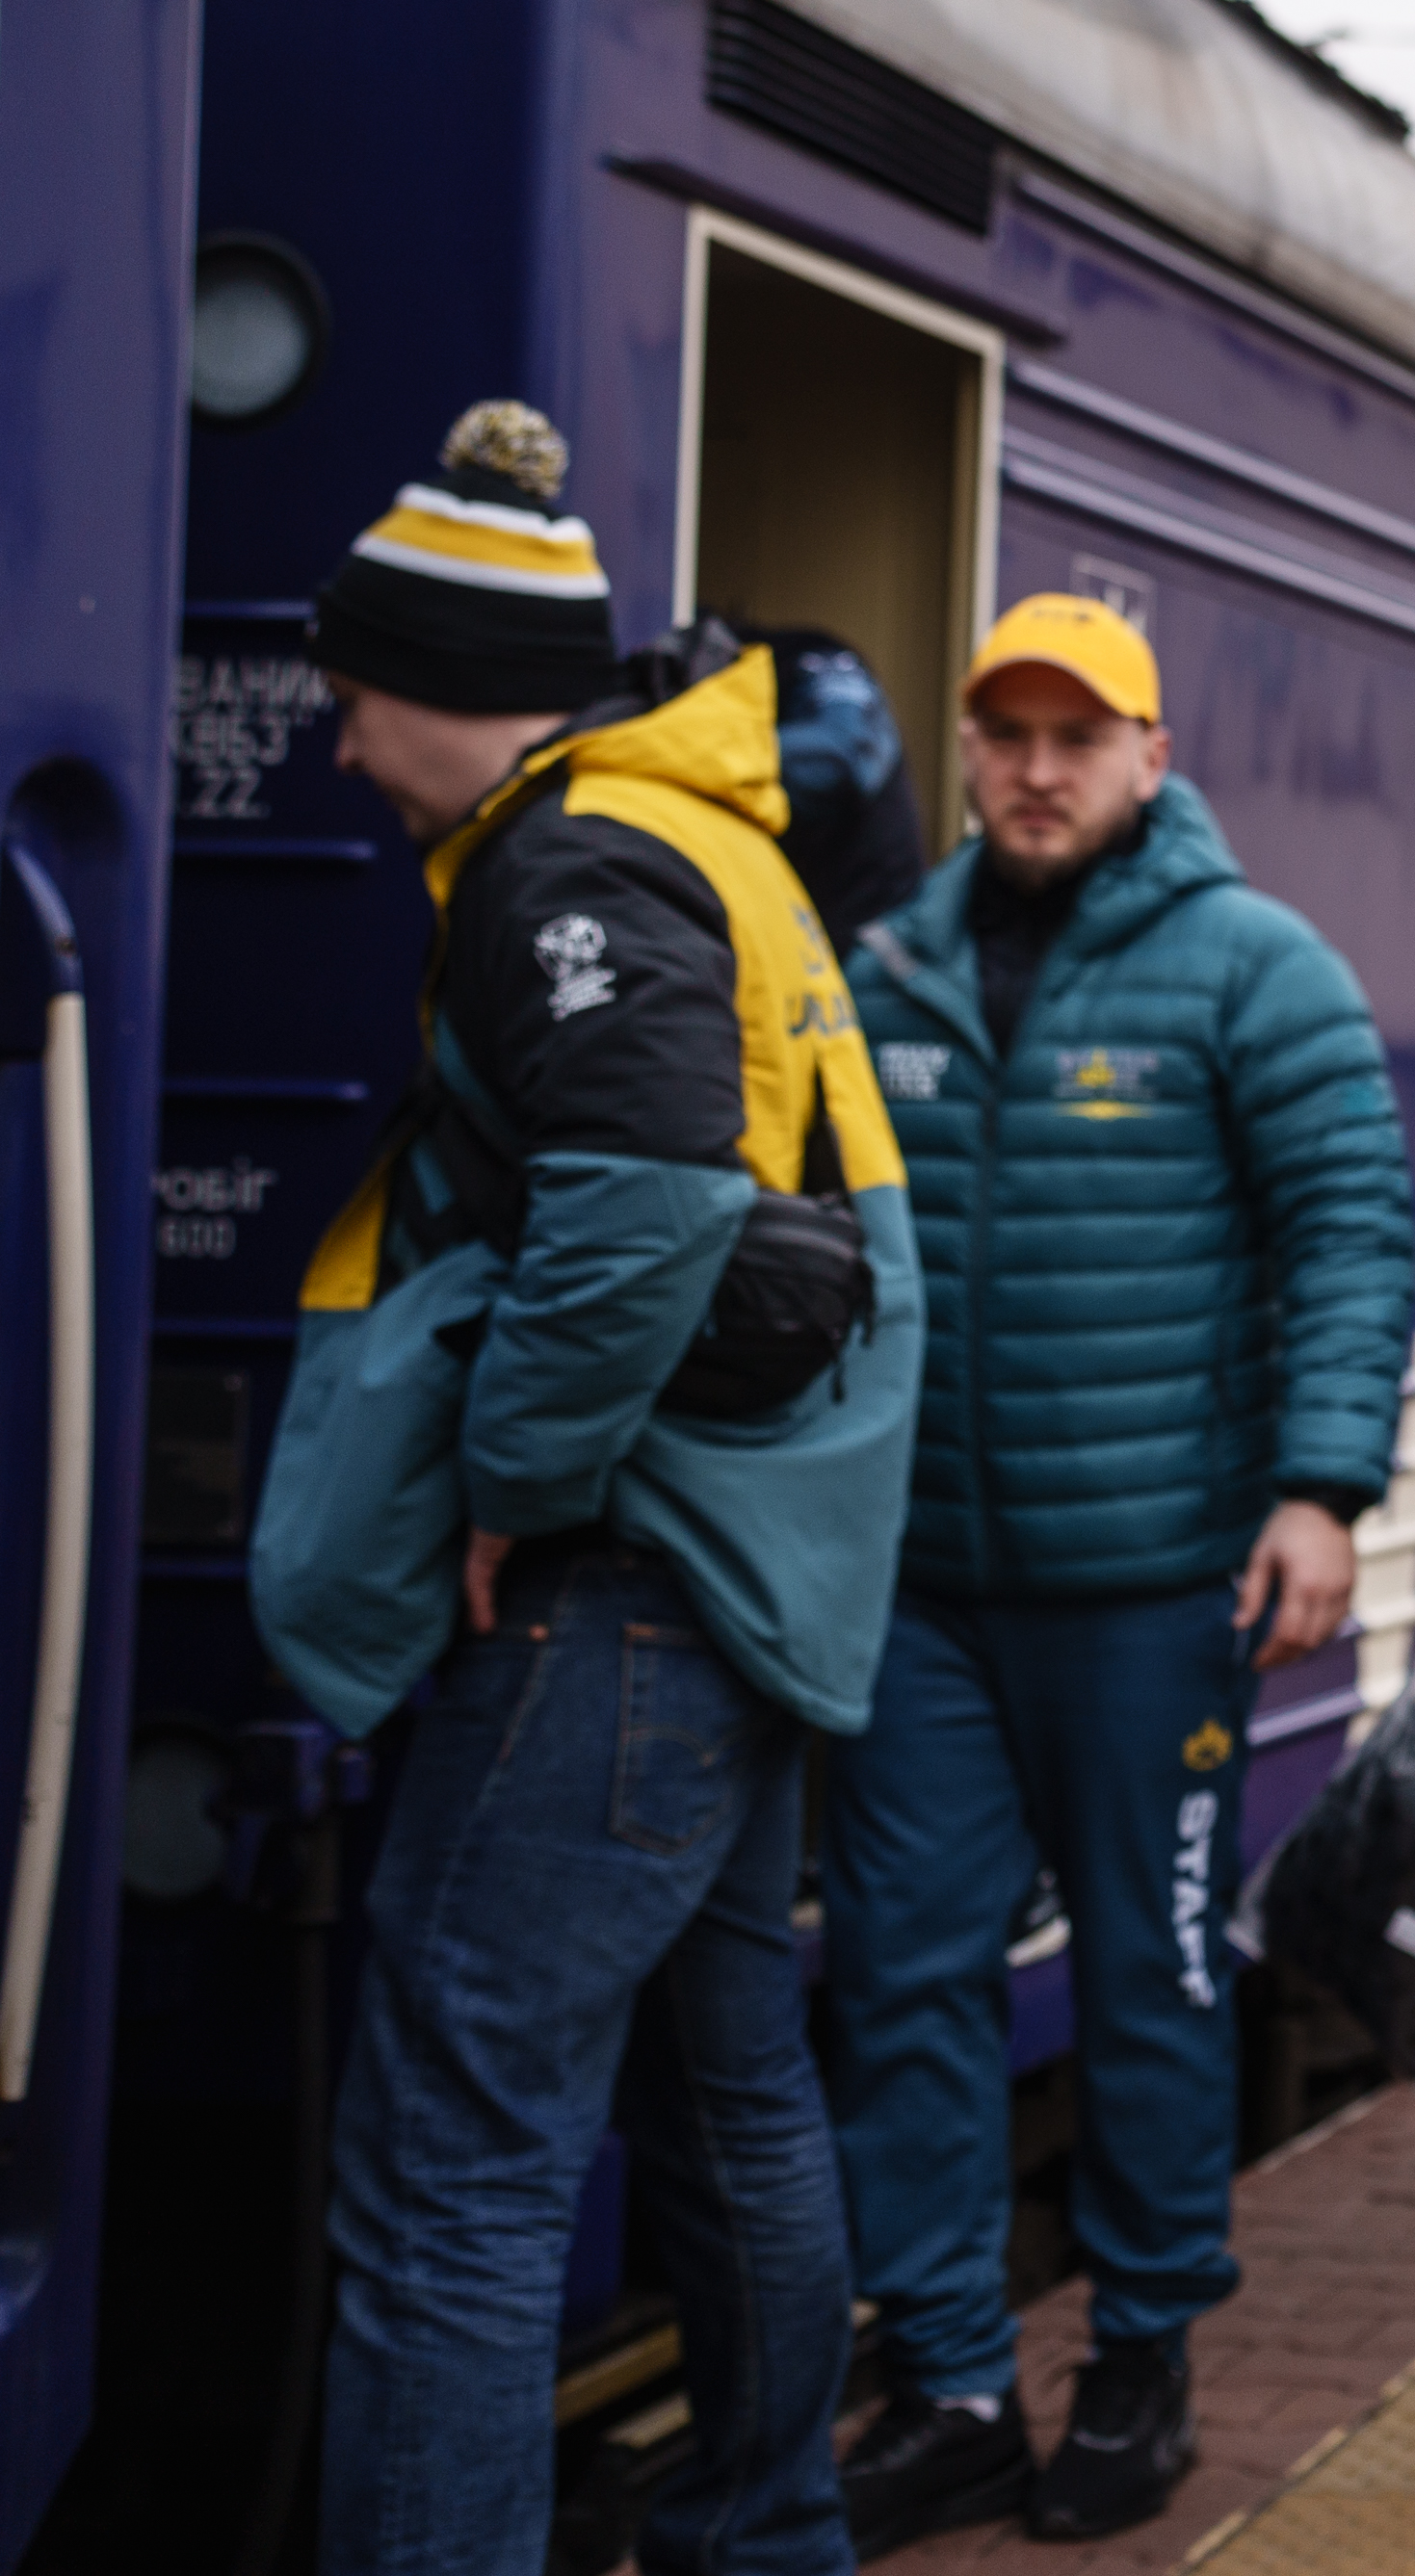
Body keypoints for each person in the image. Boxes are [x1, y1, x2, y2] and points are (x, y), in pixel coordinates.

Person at [249, 403, 922, 2576]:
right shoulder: (705, 834)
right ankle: (769, 2536)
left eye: (351, 696)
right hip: (734, 1578)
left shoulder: (581, 862)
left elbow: (638, 1204)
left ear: (443, 681)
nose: (342, 746)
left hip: (621, 1584)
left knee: (449, 2164)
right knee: (732, 2098)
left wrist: (514, 1488)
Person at [824, 595, 1415, 2554]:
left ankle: (1144, 2354)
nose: (1035, 768)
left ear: (1152, 756)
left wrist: (1323, 1487)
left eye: (1079, 736)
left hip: (1155, 1583)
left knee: (1150, 1969)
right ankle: (955, 2379)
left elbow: (1351, 1231)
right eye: (1003, 732)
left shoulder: (1255, 969)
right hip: (917, 1591)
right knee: (901, 1974)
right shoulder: (883, 971)